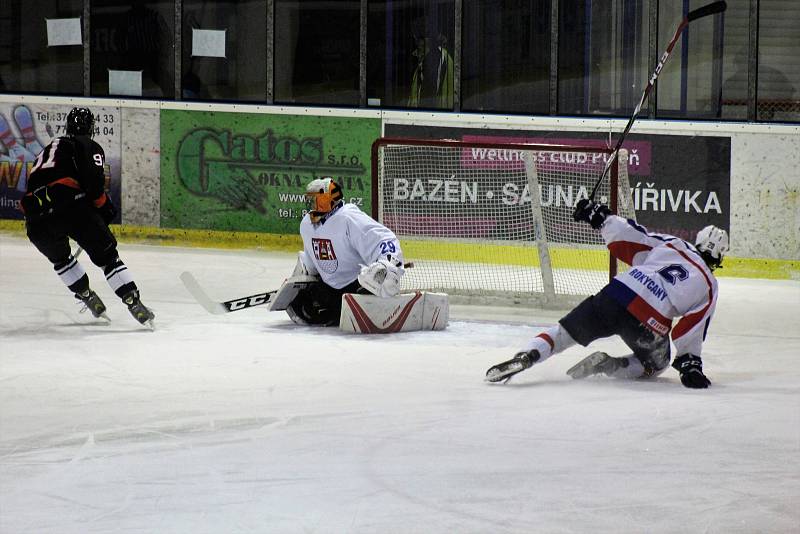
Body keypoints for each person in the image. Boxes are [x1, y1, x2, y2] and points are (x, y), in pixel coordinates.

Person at [486, 199, 729, 389]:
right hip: (647, 322)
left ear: (697, 239)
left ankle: (528, 355)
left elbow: (633, 236)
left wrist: (601, 217)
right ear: (720, 256)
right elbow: (691, 328)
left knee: (564, 334)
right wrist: (690, 365)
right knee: (656, 365)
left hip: (616, 294)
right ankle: (610, 364)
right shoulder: (709, 284)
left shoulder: (673, 244)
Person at [20, 107, 154, 327]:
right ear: (90, 128)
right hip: (71, 207)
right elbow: (93, 183)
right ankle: (132, 300)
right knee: (108, 258)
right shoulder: (87, 145)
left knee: (61, 259)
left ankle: (86, 295)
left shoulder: (45, 151)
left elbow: (35, 183)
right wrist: (104, 207)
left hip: (36, 220)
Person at [286, 177, 405, 326]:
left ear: (325, 199)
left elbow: (384, 239)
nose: (310, 204)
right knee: (301, 307)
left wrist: (387, 265)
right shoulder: (306, 224)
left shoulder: (349, 217)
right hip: (331, 289)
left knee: (368, 287)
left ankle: (379, 297)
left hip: (356, 285)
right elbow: (312, 265)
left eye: (314, 199)